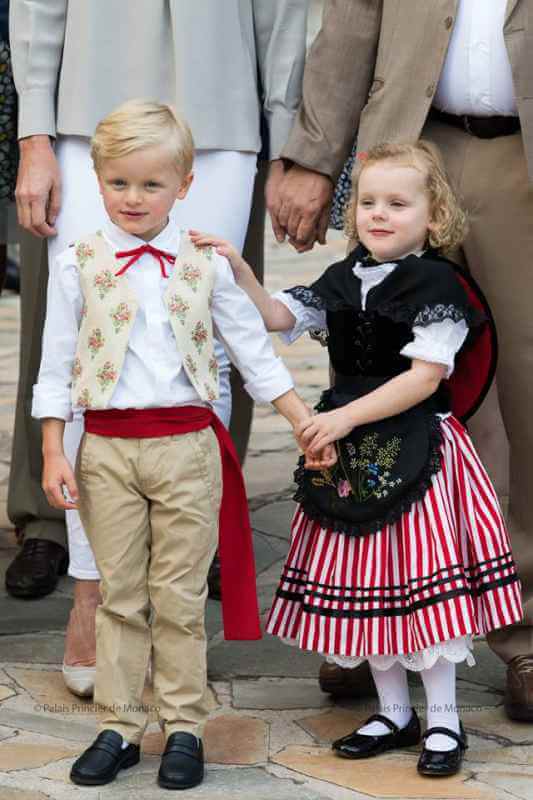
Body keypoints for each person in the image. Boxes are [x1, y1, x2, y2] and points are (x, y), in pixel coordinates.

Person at [192, 141, 523, 778]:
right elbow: (279, 315)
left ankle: (445, 718)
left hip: (418, 450)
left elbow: (425, 378)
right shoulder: (345, 275)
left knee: (422, 588)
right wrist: (237, 265)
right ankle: (395, 711)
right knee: (367, 584)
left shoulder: (438, 285)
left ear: (434, 216)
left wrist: (341, 417)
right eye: (367, 201)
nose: (379, 213)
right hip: (353, 453)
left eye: (398, 203)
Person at [7, 0, 308, 694]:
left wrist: (287, 139)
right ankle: (92, 591)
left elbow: (284, 11)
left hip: (223, 106)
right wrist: (35, 137)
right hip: (88, 107)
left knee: (205, 340)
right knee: (95, 340)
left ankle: (173, 602)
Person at [34, 100, 325, 789]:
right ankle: (119, 723)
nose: (133, 199)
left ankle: (185, 725)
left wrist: (300, 419)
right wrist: (53, 449)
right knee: (120, 595)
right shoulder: (78, 265)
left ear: (184, 185)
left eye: (151, 184)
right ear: (99, 181)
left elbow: (252, 354)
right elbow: (54, 364)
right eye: (118, 183)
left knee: (179, 594)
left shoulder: (204, 264)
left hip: (187, 447)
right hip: (105, 449)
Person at [269, 0, 533, 719]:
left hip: (522, 161)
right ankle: (363, 622)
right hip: (409, 152)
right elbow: (350, 25)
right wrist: (313, 157)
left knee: (524, 395)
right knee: (375, 371)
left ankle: (523, 633)